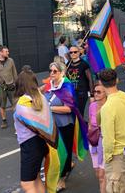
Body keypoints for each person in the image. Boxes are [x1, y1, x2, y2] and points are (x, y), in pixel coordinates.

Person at [98, 69, 125, 193]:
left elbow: (108, 138)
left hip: (118, 154)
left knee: (115, 189)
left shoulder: (107, 107)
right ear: (116, 80)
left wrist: (107, 157)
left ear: (100, 83)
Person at [13, 67, 53, 193]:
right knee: (35, 178)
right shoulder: (40, 97)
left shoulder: (23, 102)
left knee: (27, 184)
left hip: (29, 145)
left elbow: (23, 118)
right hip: (42, 142)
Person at [45, 62, 76, 192]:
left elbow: (69, 108)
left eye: (55, 71)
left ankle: (62, 179)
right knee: (55, 152)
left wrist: (49, 108)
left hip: (65, 125)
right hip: (52, 125)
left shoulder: (67, 87)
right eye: (50, 70)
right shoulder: (49, 85)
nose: (51, 73)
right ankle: (67, 166)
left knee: (64, 151)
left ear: (62, 73)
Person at [0, 46, 18, 129]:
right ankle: (4, 120)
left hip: (11, 85)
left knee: (15, 103)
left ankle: (17, 120)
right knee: (2, 104)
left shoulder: (11, 61)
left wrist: (17, 84)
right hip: (0, 86)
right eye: (6, 51)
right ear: (0, 52)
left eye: (8, 51)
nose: (8, 53)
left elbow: (14, 73)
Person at [88, 84, 107, 193]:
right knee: (97, 172)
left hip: (105, 143)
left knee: (101, 175)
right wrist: (90, 135)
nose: (95, 94)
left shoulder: (109, 106)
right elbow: (90, 122)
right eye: (94, 92)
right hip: (94, 142)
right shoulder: (92, 105)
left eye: (99, 92)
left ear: (106, 93)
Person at [66, 46, 93, 117]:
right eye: (71, 52)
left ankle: (81, 127)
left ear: (79, 53)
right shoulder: (68, 64)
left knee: (80, 114)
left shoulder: (84, 64)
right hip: (71, 93)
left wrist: (92, 94)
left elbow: (90, 79)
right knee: (72, 113)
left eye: (75, 52)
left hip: (81, 93)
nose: (73, 54)